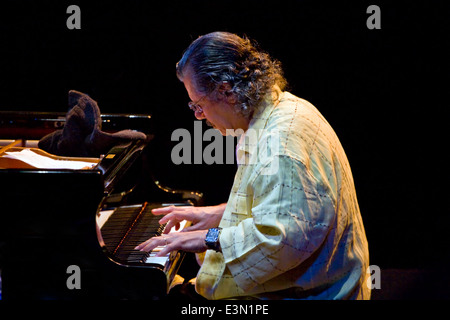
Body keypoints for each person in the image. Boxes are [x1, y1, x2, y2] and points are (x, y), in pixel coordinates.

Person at [136, 31, 370, 300]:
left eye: (198, 105)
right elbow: (292, 208)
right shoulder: (285, 108)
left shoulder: (279, 145)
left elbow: (280, 240)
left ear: (225, 91)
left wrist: (208, 237)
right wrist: (223, 213)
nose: (199, 117)